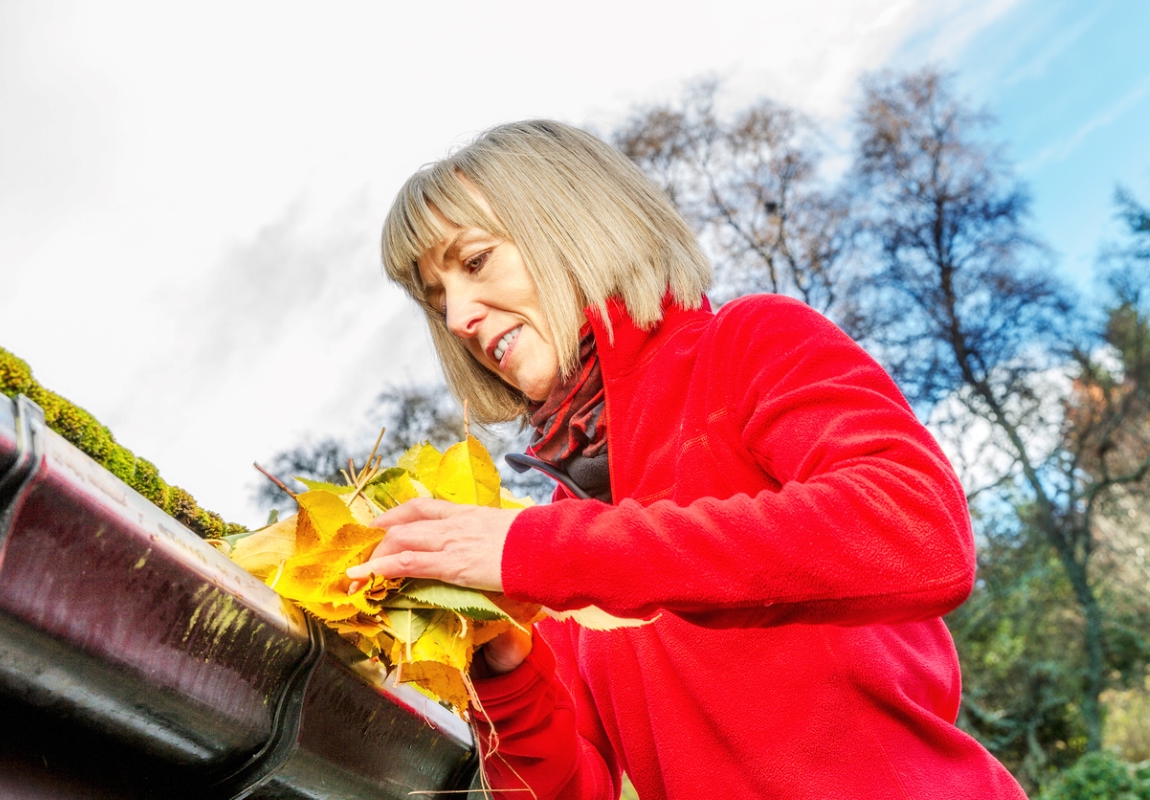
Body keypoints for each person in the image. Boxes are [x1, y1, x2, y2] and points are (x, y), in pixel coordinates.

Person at [346, 120, 1027, 799]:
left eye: (474, 262)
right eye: (438, 300)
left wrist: (545, 554)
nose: (459, 316)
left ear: (572, 225)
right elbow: (579, 789)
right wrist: (509, 676)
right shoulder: (558, 531)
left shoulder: (748, 345)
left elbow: (918, 532)